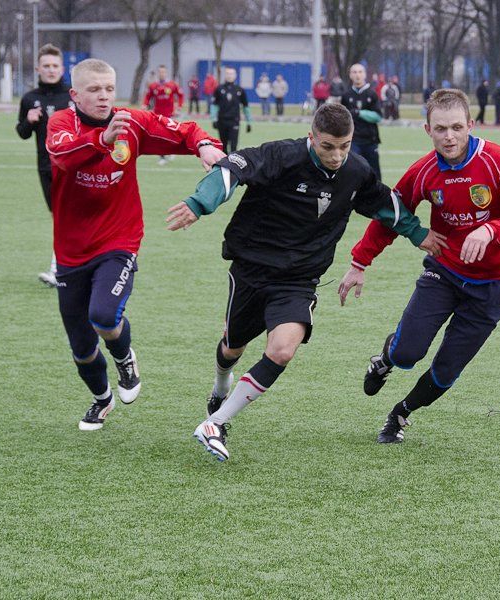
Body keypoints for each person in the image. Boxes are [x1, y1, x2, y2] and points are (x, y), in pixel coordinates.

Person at [164, 103, 447, 461]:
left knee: (282, 349)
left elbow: (386, 204)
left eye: (344, 146)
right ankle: (221, 385)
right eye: (328, 146)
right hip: (252, 268)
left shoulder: (355, 171)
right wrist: (199, 202)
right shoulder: (280, 156)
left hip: (299, 279)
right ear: (312, 137)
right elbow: (231, 169)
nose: (337, 155)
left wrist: (418, 232)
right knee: (232, 347)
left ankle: (215, 423)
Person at [337, 89, 500, 444]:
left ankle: (401, 413)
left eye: (456, 127)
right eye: (440, 129)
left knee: (447, 371)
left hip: (495, 285)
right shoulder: (423, 171)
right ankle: (385, 359)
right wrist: (360, 261)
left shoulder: (497, 160)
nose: (449, 136)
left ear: (471, 126)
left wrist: (492, 228)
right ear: (427, 130)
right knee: (407, 353)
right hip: (444, 273)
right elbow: (391, 214)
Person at [45, 58, 223, 431]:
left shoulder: (131, 122)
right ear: (75, 95)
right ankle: (101, 399)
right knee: (80, 345)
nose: (104, 96)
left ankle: (124, 357)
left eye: (109, 88)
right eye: (94, 90)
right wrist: (102, 139)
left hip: (118, 239)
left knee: (104, 315)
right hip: (71, 249)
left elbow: (183, 130)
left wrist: (204, 145)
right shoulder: (62, 124)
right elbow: (62, 157)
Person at [16, 43, 72, 287]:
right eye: (46, 66)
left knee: (65, 218)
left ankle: (59, 269)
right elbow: (23, 133)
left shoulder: (73, 95)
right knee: (59, 217)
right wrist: (28, 121)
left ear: (62, 68)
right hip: (46, 167)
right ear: (38, 68)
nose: (51, 70)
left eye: (55, 66)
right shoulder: (30, 99)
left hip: (73, 166)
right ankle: (69, 267)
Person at [341, 63, 383, 179]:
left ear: (364, 74)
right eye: (354, 72)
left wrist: (360, 113)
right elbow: (344, 117)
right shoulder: (346, 95)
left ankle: (377, 196)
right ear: (350, 75)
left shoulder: (372, 94)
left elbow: (378, 116)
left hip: (370, 139)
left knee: (374, 172)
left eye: (360, 72)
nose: (357, 75)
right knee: (353, 169)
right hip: (353, 139)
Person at [143, 65, 184, 166]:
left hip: (170, 114)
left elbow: (180, 95)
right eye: (160, 72)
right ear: (158, 73)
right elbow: (148, 96)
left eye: (163, 72)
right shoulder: (153, 86)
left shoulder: (172, 85)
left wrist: (179, 106)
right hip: (157, 115)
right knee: (159, 136)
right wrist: (145, 104)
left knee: (171, 135)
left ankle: (172, 151)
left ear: (166, 73)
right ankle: (162, 157)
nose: (162, 74)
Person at [211, 66, 252, 154]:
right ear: (225, 75)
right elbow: (214, 105)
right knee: (223, 146)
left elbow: (245, 106)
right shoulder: (219, 89)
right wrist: (213, 119)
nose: (230, 75)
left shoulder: (240, 90)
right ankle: (224, 166)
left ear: (235, 75)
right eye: (228, 74)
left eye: (232, 74)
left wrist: (249, 122)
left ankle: (233, 167)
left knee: (233, 146)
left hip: (234, 121)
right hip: (222, 121)